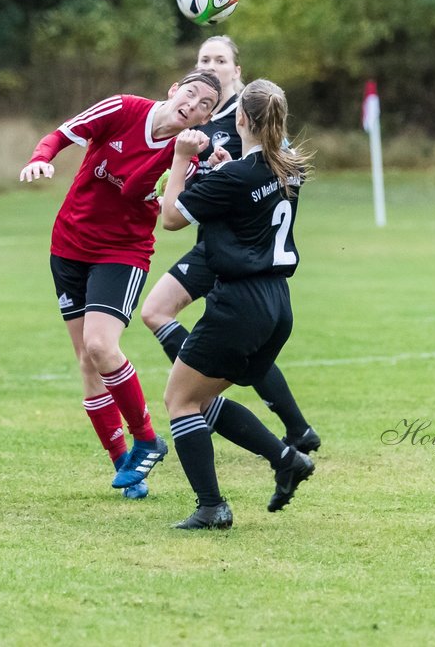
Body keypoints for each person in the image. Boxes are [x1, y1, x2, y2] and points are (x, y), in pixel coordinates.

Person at [19, 70, 223, 499]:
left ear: (206, 118)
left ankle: (147, 439)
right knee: (86, 361)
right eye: (191, 94)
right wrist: (42, 157)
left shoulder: (189, 154)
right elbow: (63, 133)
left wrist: (193, 164)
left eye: (206, 105)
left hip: (122, 254)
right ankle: (126, 466)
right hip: (68, 244)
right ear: (173, 90)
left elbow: (153, 204)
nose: (195, 104)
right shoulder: (123, 108)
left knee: (101, 346)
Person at [140, 36, 321, 454]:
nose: (213, 65)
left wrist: (199, 171)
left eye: (221, 59)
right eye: (204, 58)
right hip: (224, 246)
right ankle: (284, 428)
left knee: (229, 344)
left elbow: (276, 171)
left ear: (237, 72)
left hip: (237, 251)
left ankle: (203, 399)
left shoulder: (254, 115)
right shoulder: (199, 114)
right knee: (160, 314)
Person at [157, 79, 316, 530]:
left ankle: (211, 506)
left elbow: (170, 218)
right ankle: (286, 458)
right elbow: (249, 204)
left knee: (180, 400)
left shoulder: (235, 176)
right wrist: (223, 170)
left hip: (239, 304)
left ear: (240, 119)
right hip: (277, 304)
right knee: (201, 399)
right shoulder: (289, 167)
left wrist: (181, 159)